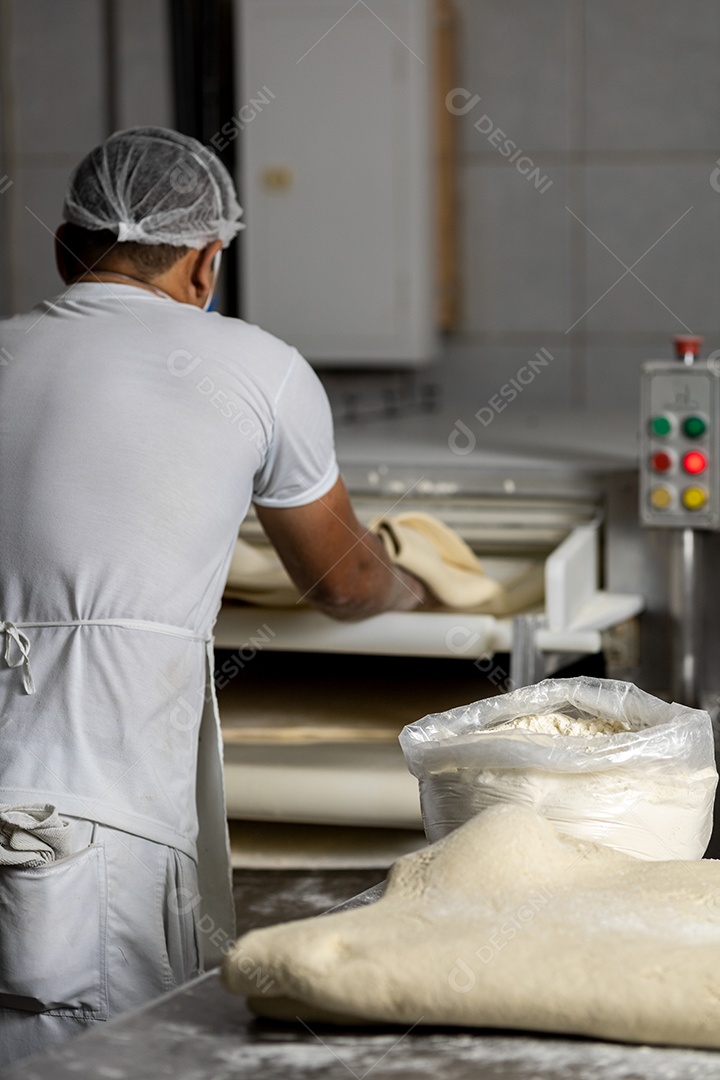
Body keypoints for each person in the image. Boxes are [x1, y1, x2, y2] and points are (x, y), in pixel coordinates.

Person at [0, 126, 428, 1065]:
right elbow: (343, 582)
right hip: (91, 834)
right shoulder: (259, 368)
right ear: (205, 262)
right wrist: (415, 583)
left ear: (66, 248)